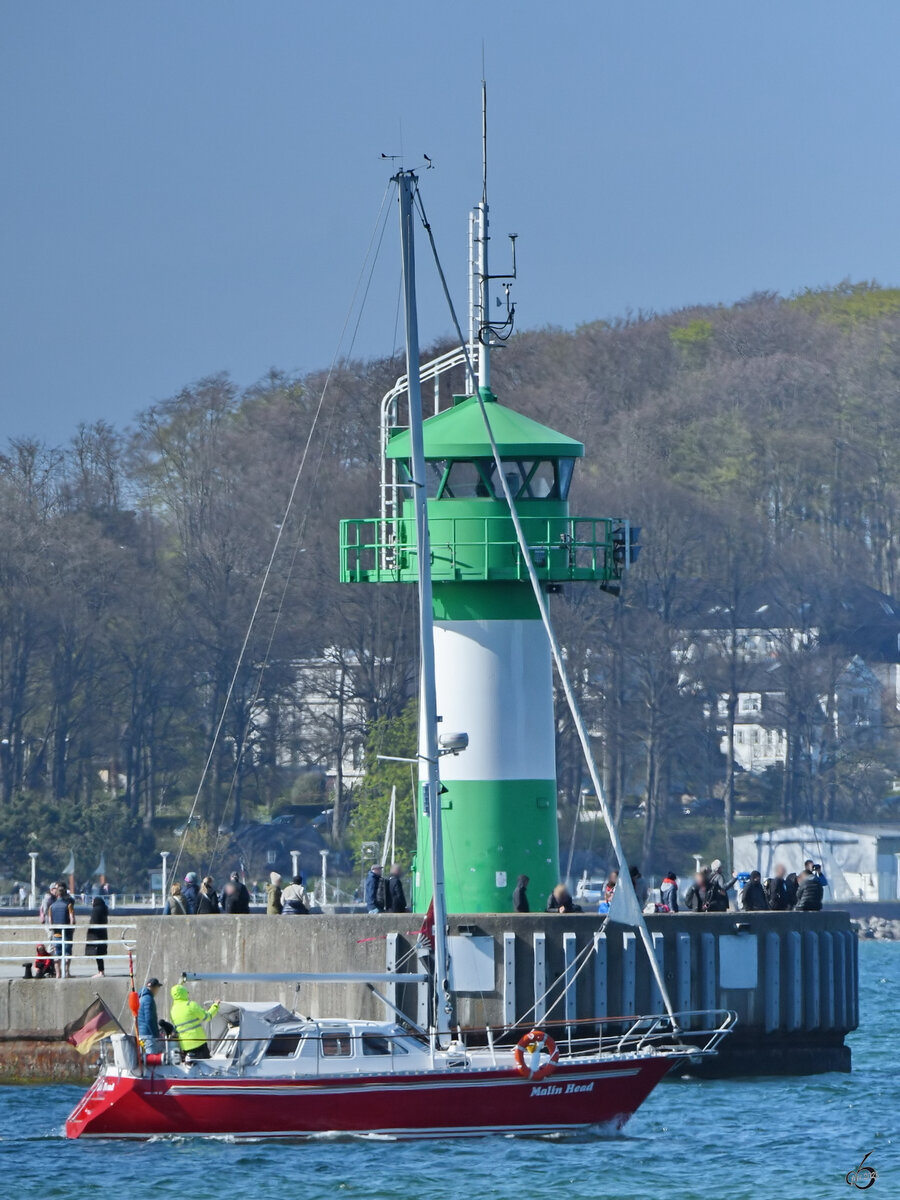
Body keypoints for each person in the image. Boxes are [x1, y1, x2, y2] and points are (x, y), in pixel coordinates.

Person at [168, 983, 220, 1060]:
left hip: (185, 1046)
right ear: (184, 993)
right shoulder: (191, 1005)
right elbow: (207, 1017)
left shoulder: (173, 1010)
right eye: (187, 992)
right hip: (199, 1043)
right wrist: (216, 1005)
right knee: (207, 1067)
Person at [49, 882, 75, 978]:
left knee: (57, 954)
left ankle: (58, 974)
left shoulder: (51, 906)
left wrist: (52, 931)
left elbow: (50, 921)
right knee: (67, 953)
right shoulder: (69, 905)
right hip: (67, 933)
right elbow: (72, 918)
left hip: (56, 934)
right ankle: (67, 972)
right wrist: (72, 929)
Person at [138, 977, 165, 1053]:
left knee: (145, 1059)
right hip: (148, 1035)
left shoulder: (141, 997)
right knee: (152, 1058)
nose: (158, 990)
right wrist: (156, 1035)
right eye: (158, 987)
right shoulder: (148, 999)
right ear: (154, 988)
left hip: (141, 1034)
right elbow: (149, 1019)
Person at [85, 894, 109, 976]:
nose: (92, 902)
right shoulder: (104, 909)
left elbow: (94, 922)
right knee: (100, 954)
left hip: (96, 935)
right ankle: (101, 971)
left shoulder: (96, 910)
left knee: (98, 954)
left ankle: (101, 971)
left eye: (93, 900)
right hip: (103, 934)